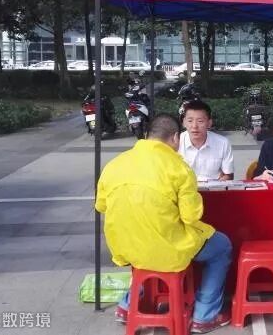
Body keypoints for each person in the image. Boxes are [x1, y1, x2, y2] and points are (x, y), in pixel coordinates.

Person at [96, 114, 232, 333]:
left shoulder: (115, 164)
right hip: (165, 248)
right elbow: (191, 216)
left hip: (126, 247)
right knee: (222, 246)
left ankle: (127, 306)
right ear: (175, 138)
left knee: (145, 257)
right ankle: (204, 316)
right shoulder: (178, 168)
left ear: (147, 135)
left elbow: (101, 206)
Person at [179, 101, 234, 181]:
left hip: (214, 187)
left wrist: (217, 184)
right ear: (184, 122)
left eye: (200, 121)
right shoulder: (176, 142)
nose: (194, 126)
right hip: (184, 188)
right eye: (190, 121)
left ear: (209, 123)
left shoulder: (223, 143)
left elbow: (228, 175)